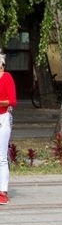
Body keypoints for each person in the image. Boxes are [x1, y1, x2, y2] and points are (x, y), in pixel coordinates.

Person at [0, 52, 16, 206]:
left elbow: (12, 100)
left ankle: (3, 192)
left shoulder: (7, 77)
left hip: (3, 118)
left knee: (1, 157)